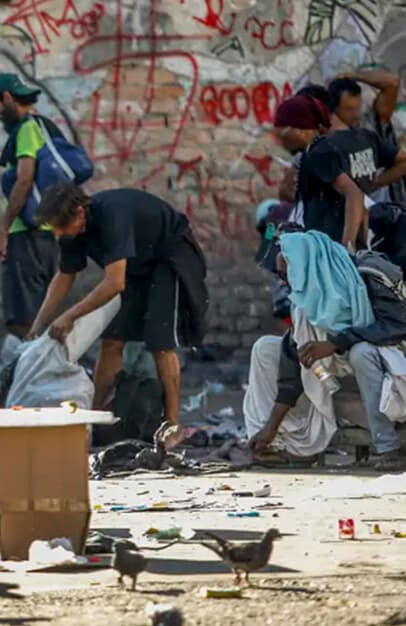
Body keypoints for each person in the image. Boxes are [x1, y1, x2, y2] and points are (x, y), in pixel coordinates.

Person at [28, 183, 208, 445]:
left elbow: (114, 283)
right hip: (136, 268)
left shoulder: (113, 214)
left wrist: (69, 316)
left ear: (80, 213)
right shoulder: (71, 233)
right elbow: (64, 277)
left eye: (60, 227)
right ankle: (94, 417)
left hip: (170, 258)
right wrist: (38, 325)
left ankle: (173, 425)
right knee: (112, 341)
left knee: (160, 342)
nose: (58, 234)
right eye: (52, 228)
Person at [245, 236, 406, 471]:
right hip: (344, 386)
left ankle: (388, 449)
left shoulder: (368, 275)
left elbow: (397, 325)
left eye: (285, 274)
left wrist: (338, 343)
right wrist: (270, 427)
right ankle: (282, 444)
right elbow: (292, 365)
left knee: (361, 353)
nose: (285, 283)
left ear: (306, 266)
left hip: (392, 371)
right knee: (266, 349)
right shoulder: (306, 304)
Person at [272, 92, 406, 248]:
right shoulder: (358, 140)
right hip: (352, 239)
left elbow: (354, 194)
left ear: (301, 129)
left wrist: (346, 248)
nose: (278, 138)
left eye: (282, 130)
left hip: (332, 243)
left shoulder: (319, 153)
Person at [0, 73, 60, 340]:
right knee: (39, 315)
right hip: (47, 234)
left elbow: (24, 178)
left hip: (26, 235)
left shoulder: (28, 129)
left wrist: (3, 230)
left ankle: (33, 378)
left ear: (7, 98)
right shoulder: (45, 126)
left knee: (24, 321)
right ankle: (40, 376)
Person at [330, 69, 404, 204]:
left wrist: (354, 76)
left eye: (357, 107)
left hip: (385, 208)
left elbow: (392, 82)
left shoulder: (372, 122)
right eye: (348, 109)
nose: (355, 114)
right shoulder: (328, 138)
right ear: (334, 109)